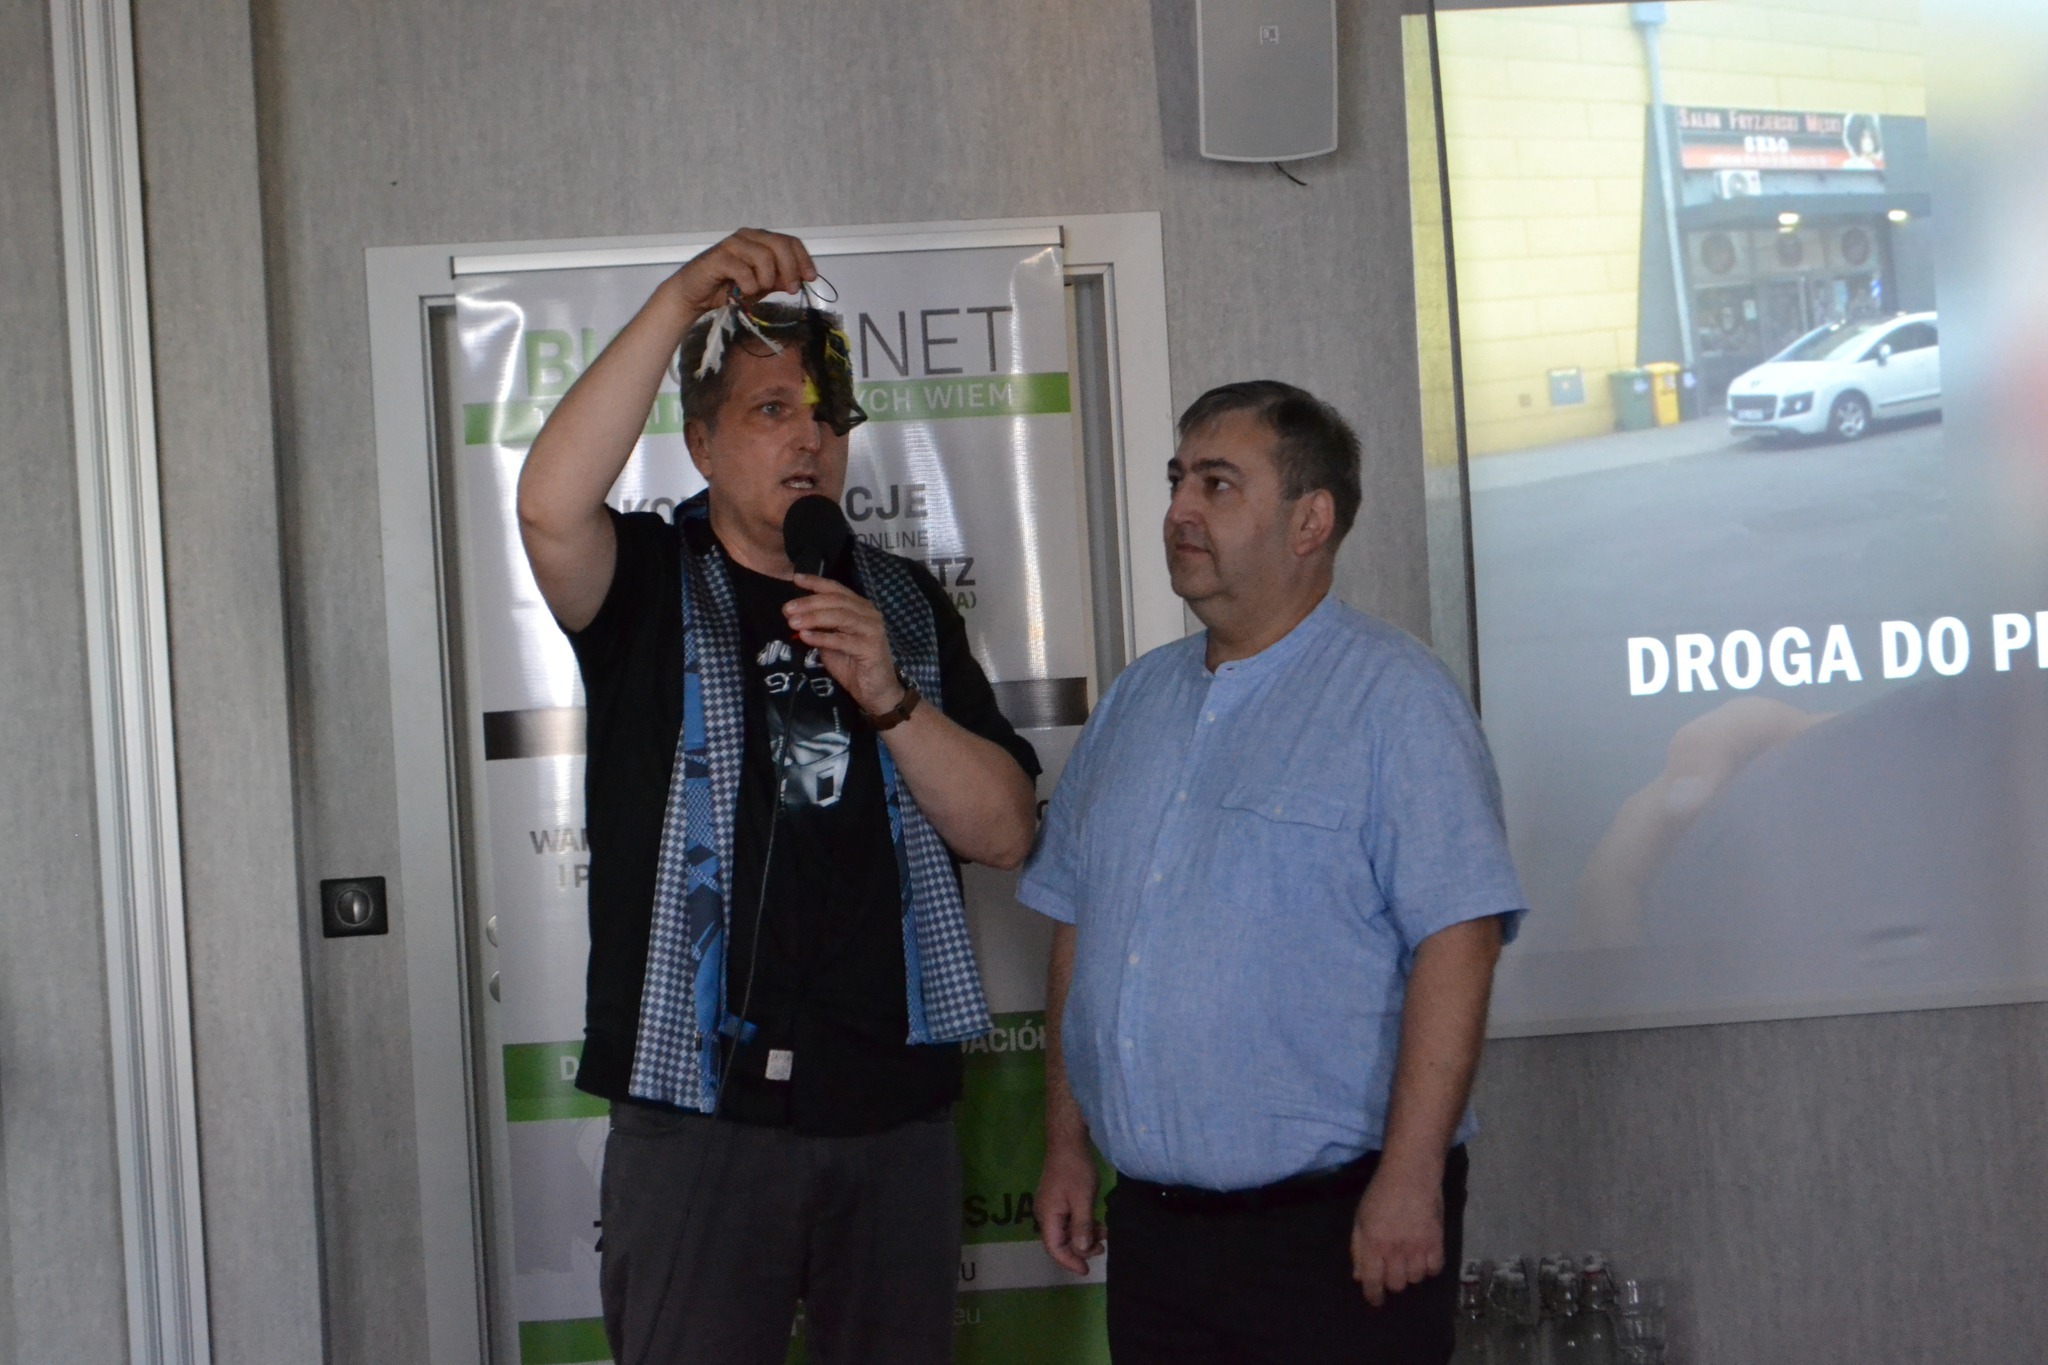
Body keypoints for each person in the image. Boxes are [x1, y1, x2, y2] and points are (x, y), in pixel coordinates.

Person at [517, 227, 1041, 1365]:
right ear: (701, 442)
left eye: (827, 416)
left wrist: (892, 698)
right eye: (770, 411)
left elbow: (1006, 833)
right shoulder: (649, 577)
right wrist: (679, 299)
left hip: (889, 1110)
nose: (809, 439)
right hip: (699, 1113)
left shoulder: (902, 601)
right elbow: (550, 510)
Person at [1019, 381, 1526, 1364]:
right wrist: (1065, 1143)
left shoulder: (1396, 700)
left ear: (1310, 520)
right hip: (1157, 1237)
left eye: (1217, 484)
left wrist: (1410, 1178)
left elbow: (1458, 943)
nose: (1179, 510)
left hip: (1333, 1231)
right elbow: (1079, 925)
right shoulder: (1133, 701)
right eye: (1177, 480)